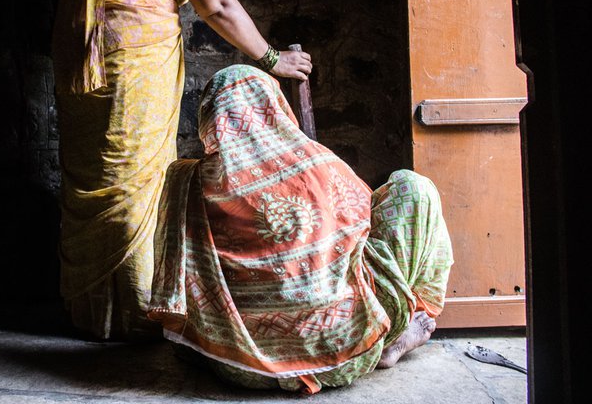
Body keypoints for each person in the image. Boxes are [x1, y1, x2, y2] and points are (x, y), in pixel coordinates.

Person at [51, 0, 312, 341]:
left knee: (96, 177)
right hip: (135, 74)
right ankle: (133, 316)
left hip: (85, 75)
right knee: (136, 181)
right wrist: (273, 59)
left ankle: (91, 313)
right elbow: (216, 5)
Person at [148, 64, 454, 394]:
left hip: (237, 363)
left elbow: (176, 272)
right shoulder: (317, 162)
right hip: (344, 351)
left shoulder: (185, 179)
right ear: (275, 107)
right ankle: (392, 334)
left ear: (211, 119)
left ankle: (209, 344)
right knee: (412, 188)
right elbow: (361, 227)